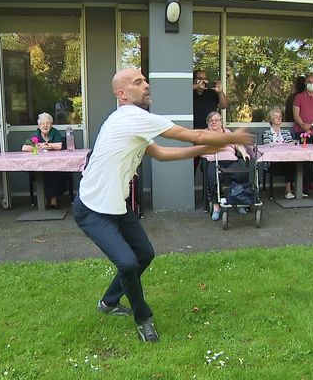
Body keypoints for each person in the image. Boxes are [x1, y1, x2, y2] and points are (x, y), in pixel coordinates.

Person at [72, 67, 252, 343]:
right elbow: (197, 135)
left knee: (144, 254)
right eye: (137, 82)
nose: (146, 85)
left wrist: (205, 150)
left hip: (116, 204)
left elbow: (161, 153)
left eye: (144, 80)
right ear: (121, 94)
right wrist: (232, 138)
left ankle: (107, 303)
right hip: (93, 209)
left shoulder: (132, 120)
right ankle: (143, 318)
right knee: (128, 263)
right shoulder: (131, 117)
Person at [201, 111, 250, 219]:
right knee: (214, 176)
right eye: (211, 120)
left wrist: (243, 152)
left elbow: (238, 144)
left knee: (241, 174)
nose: (214, 122)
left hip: (230, 160)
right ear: (208, 123)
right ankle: (216, 206)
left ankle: (238, 201)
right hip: (213, 160)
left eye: (217, 120)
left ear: (221, 122)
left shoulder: (228, 132)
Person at [21, 112, 67, 208]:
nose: (45, 126)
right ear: (39, 125)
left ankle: (53, 198)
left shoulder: (55, 132)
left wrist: (45, 145)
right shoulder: (36, 134)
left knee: (53, 172)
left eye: (47, 123)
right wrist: (37, 147)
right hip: (40, 164)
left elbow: (59, 146)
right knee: (42, 172)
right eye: (42, 123)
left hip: (55, 163)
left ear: (51, 124)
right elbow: (24, 147)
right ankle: (45, 198)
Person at [293, 74, 313, 190]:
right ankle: (301, 184)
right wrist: (303, 125)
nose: (312, 84)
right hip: (300, 132)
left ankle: (311, 182)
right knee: (301, 159)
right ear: (306, 84)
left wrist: (311, 125)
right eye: (309, 82)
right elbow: (296, 114)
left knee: (312, 158)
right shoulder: (299, 97)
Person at [262, 109, 295, 199]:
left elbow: (291, 144)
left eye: (280, 117)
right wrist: (283, 144)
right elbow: (267, 146)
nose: (279, 119)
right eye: (276, 117)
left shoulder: (286, 132)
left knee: (292, 163)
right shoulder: (267, 133)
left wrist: (277, 144)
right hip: (273, 161)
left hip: (286, 159)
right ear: (271, 119)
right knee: (289, 164)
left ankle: (289, 191)